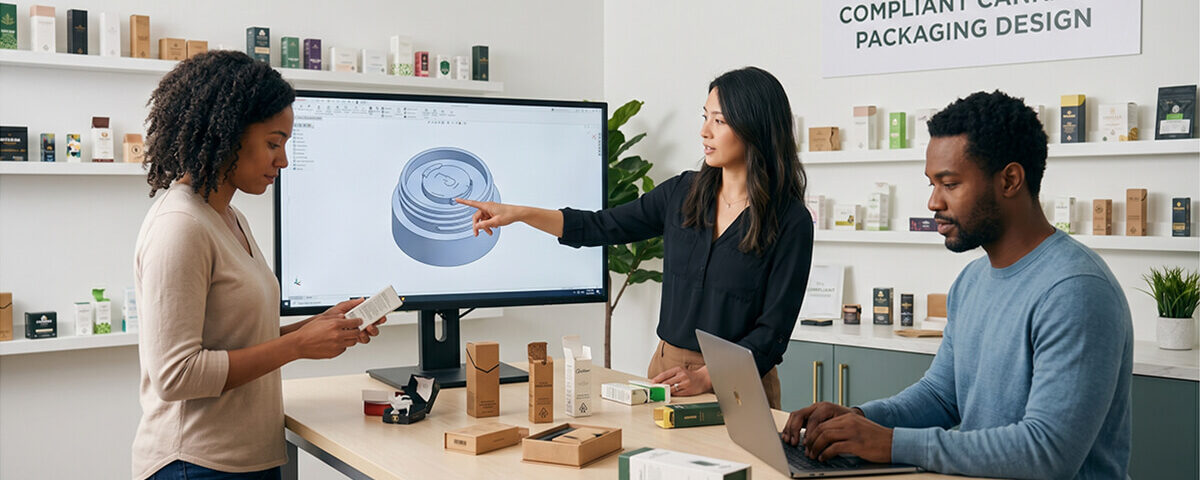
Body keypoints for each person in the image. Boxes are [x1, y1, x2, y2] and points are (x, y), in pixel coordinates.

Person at [782, 91, 1133, 479]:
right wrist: (858, 420)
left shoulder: (1075, 290)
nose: (933, 202)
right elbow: (941, 396)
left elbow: (1047, 452)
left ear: (1010, 180)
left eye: (949, 184)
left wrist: (888, 443)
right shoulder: (971, 281)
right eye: (932, 184)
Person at [456, 67, 813, 408]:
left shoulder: (791, 221)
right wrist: (518, 214)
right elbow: (600, 225)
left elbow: (772, 334)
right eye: (704, 117)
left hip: (738, 381)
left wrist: (707, 377)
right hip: (666, 371)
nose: (704, 132)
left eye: (719, 121)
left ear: (756, 127)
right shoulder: (681, 193)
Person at [132, 51, 384, 480]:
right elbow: (176, 375)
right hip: (196, 465)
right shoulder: (180, 227)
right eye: (273, 143)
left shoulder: (229, 218)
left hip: (248, 458)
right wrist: (297, 347)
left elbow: (237, 338)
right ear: (227, 133)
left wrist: (314, 328)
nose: (282, 161)